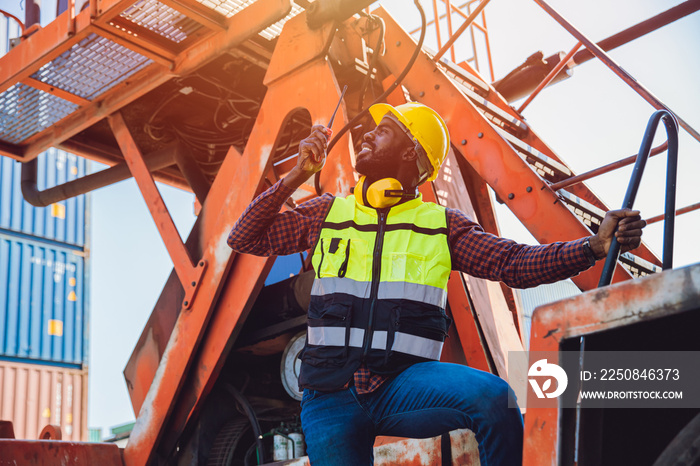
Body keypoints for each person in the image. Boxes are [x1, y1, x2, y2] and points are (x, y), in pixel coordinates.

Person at [227, 102, 646, 465]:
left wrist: (593, 246)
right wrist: (296, 175)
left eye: (384, 131)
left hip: (402, 386)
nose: (368, 135)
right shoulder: (326, 213)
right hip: (328, 397)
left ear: (411, 155)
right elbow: (243, 237)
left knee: (493, 399)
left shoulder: (440, 227)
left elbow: (514, 263)